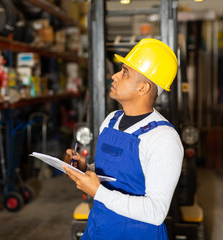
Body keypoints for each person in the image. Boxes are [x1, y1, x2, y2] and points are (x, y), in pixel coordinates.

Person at [63, 38, 184, 240]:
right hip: (99, 229)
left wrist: (98, 192)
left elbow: (156, 212)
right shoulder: (111, 120)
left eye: (125, 73)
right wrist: (86, 168)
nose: (115, 76)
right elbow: (116, 175)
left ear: (143, 88)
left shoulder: (163, 139)